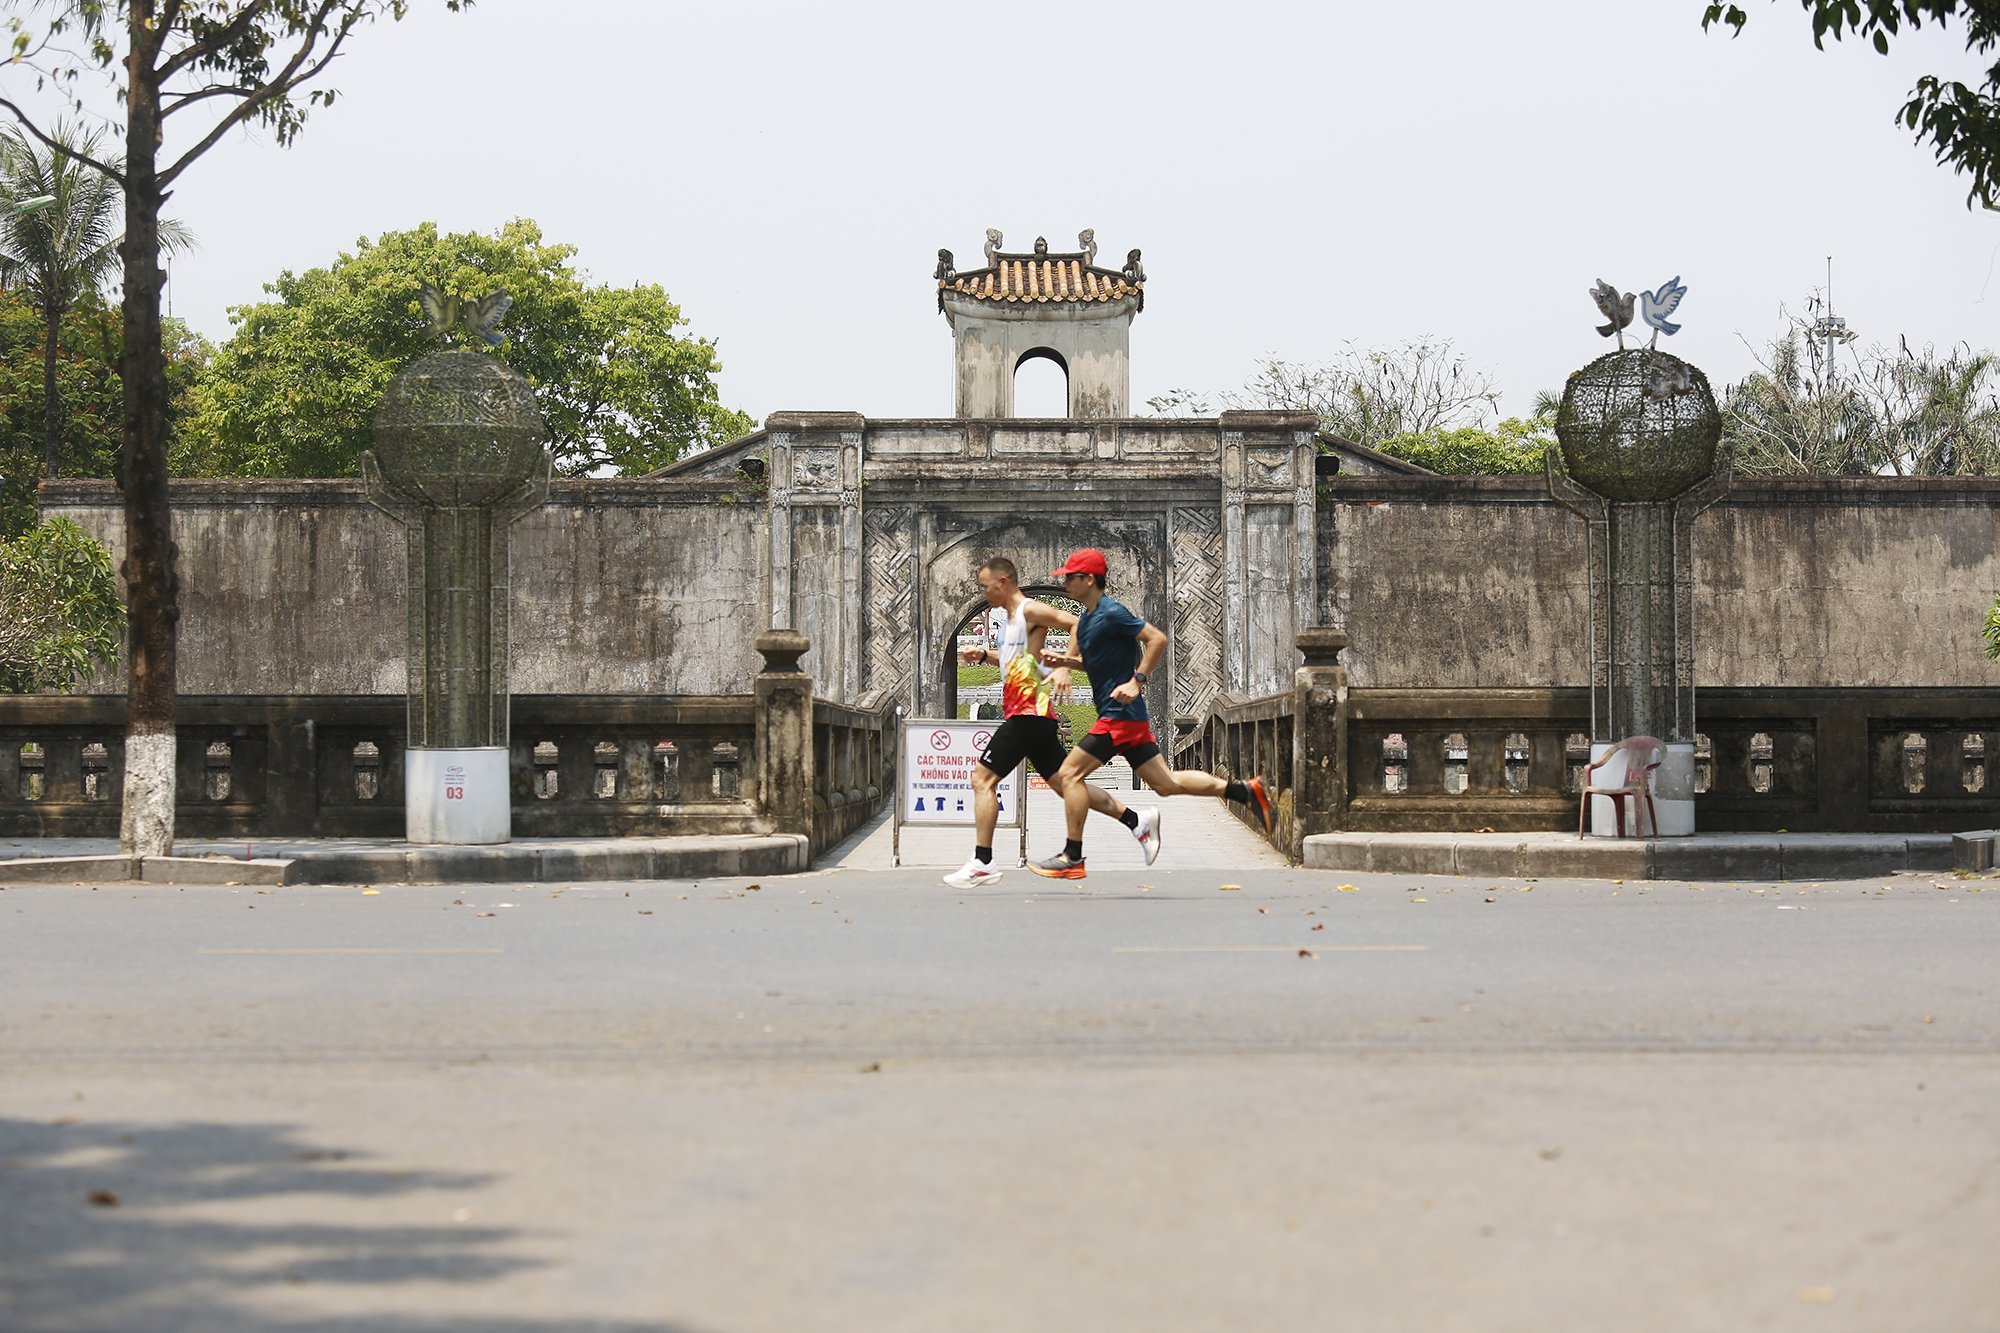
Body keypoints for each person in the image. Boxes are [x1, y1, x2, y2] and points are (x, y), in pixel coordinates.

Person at [1029, 547, 1273, 880]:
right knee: (1166, 784)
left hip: (1118, 714)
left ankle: (1073, 855)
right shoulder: (1086, 619)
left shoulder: (1112, 612)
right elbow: (1098, 665)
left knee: (1068, 776)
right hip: (1125, 717)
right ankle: (1244, 791)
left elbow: (1157, 638)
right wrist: (1066, 663)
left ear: (1088, 579)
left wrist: (1138, 680)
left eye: (1070, 577)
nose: (1065, 582)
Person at [942, 556, 1160, 888]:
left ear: (1004, 581)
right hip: (1034, 715)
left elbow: (1075, 623)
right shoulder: (1012, 619)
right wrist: (985, 656)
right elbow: (1022, 660)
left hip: (1028, 713)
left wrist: (1064, 666)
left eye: (986, 587)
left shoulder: (1031, 610)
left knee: (982, 779)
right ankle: (1136, 820)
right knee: (1065, 784)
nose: (984, 593)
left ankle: (982, 861)